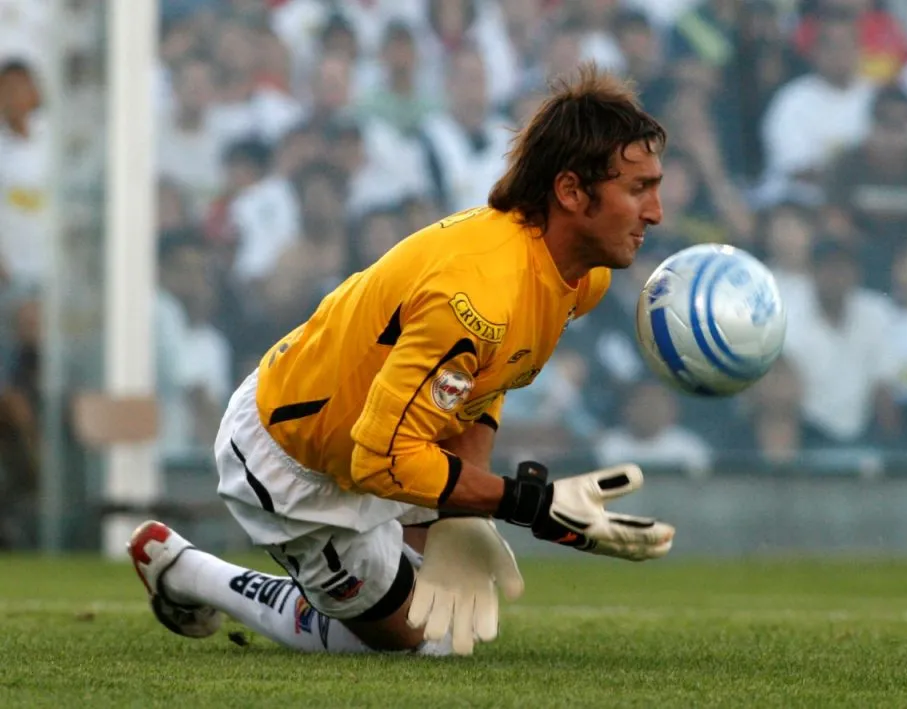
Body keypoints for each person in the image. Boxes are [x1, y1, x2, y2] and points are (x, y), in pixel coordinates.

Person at [128, 65, 674, 658]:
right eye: (638, 189)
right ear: (571, 192)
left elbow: (486, 384)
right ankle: (191, 572)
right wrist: (530, 505)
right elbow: (378, 459)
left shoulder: (576, 274)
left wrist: (465, 517)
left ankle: (333, 585)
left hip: (386, 432)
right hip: (297, 459)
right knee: (423, 643)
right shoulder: (478, 297)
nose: (657, 212)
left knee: (445, 619)